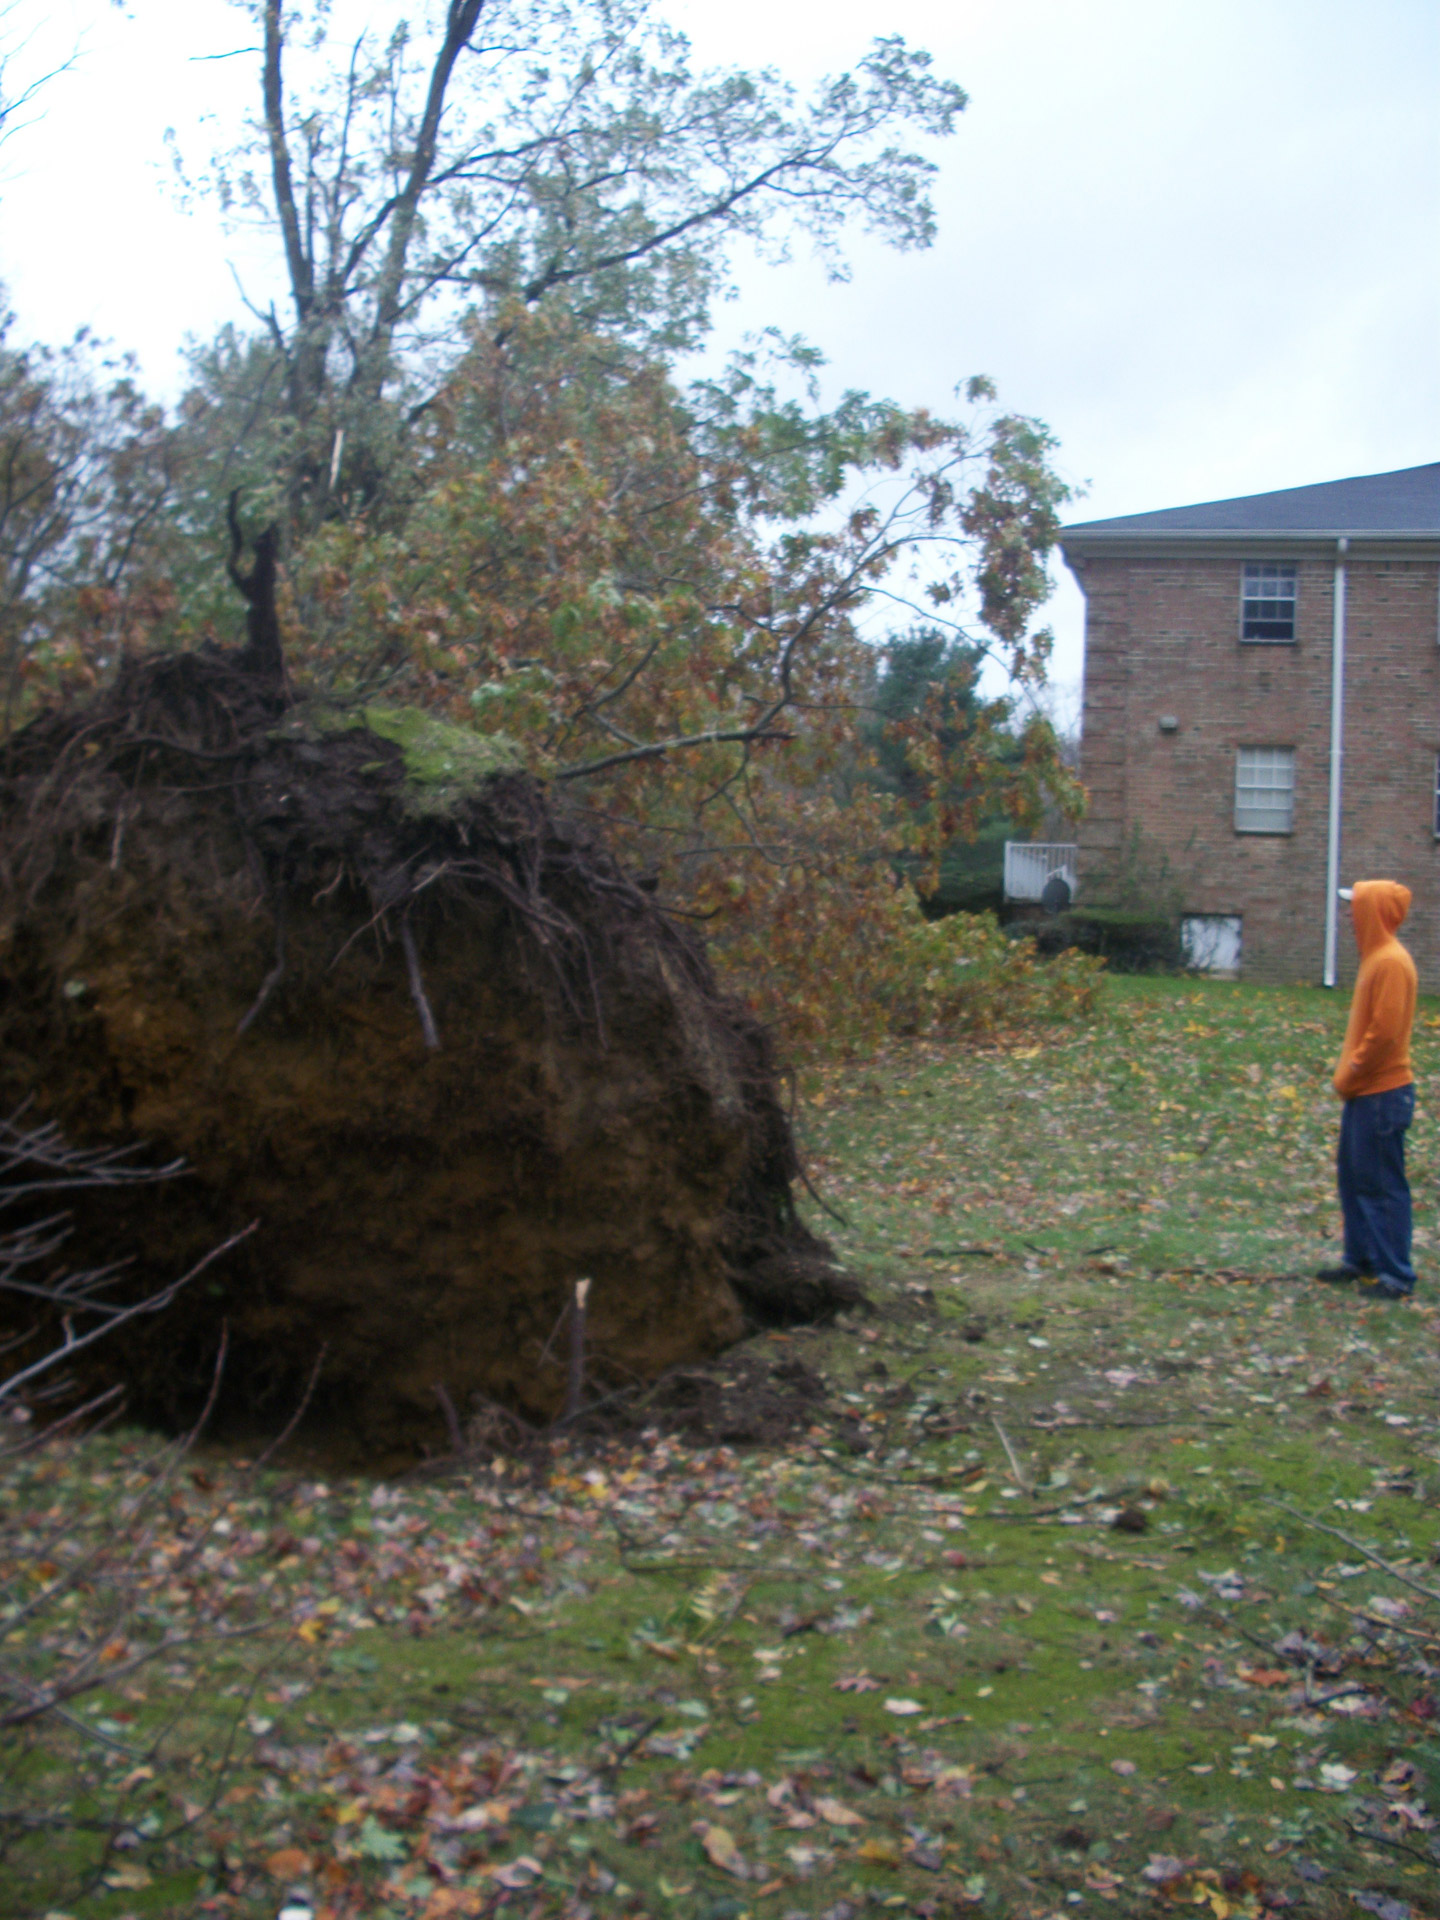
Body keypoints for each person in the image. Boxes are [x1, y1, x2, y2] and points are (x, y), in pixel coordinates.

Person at [1316, 880, 1418, 1300]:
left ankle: (1395, 1275)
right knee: (1356, 1179)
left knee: (1380, 1185)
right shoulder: (1376, 959)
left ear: (1372, 910)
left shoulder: (1391, 962)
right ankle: (1361, 1260)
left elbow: (1385, 1035)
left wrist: (1352, 1071)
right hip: (1366, 1093)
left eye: (1354, 906)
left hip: (1381, 1093)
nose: (1348, 914)